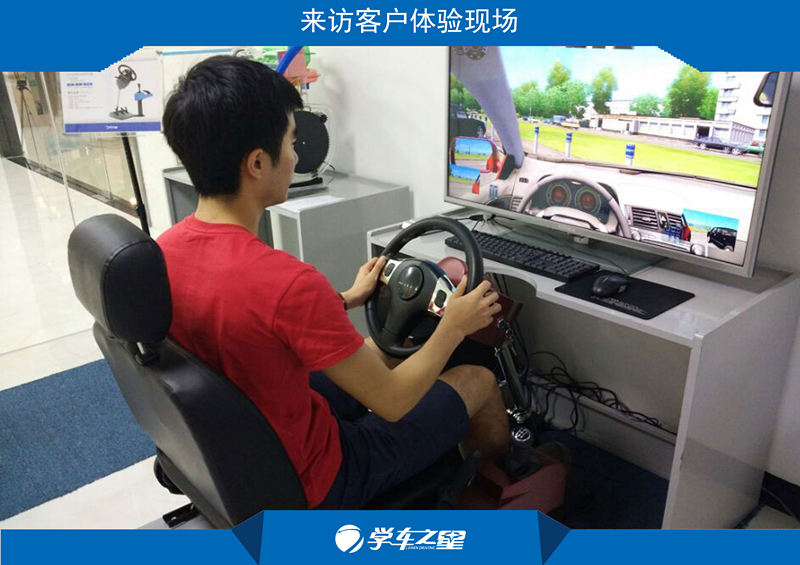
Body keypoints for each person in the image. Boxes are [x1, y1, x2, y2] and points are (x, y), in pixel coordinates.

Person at [157, 55, 509, 510]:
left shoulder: (164, 252)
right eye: (291, 142)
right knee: (478, 379)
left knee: (381, 349)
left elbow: (246, 316)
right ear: (258, 163)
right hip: (317, 480)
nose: (296, 156)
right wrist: (454, 326)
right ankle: (487, 493)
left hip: (245, 449)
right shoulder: (288, 283)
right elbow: (394, 402)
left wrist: (343, 299)